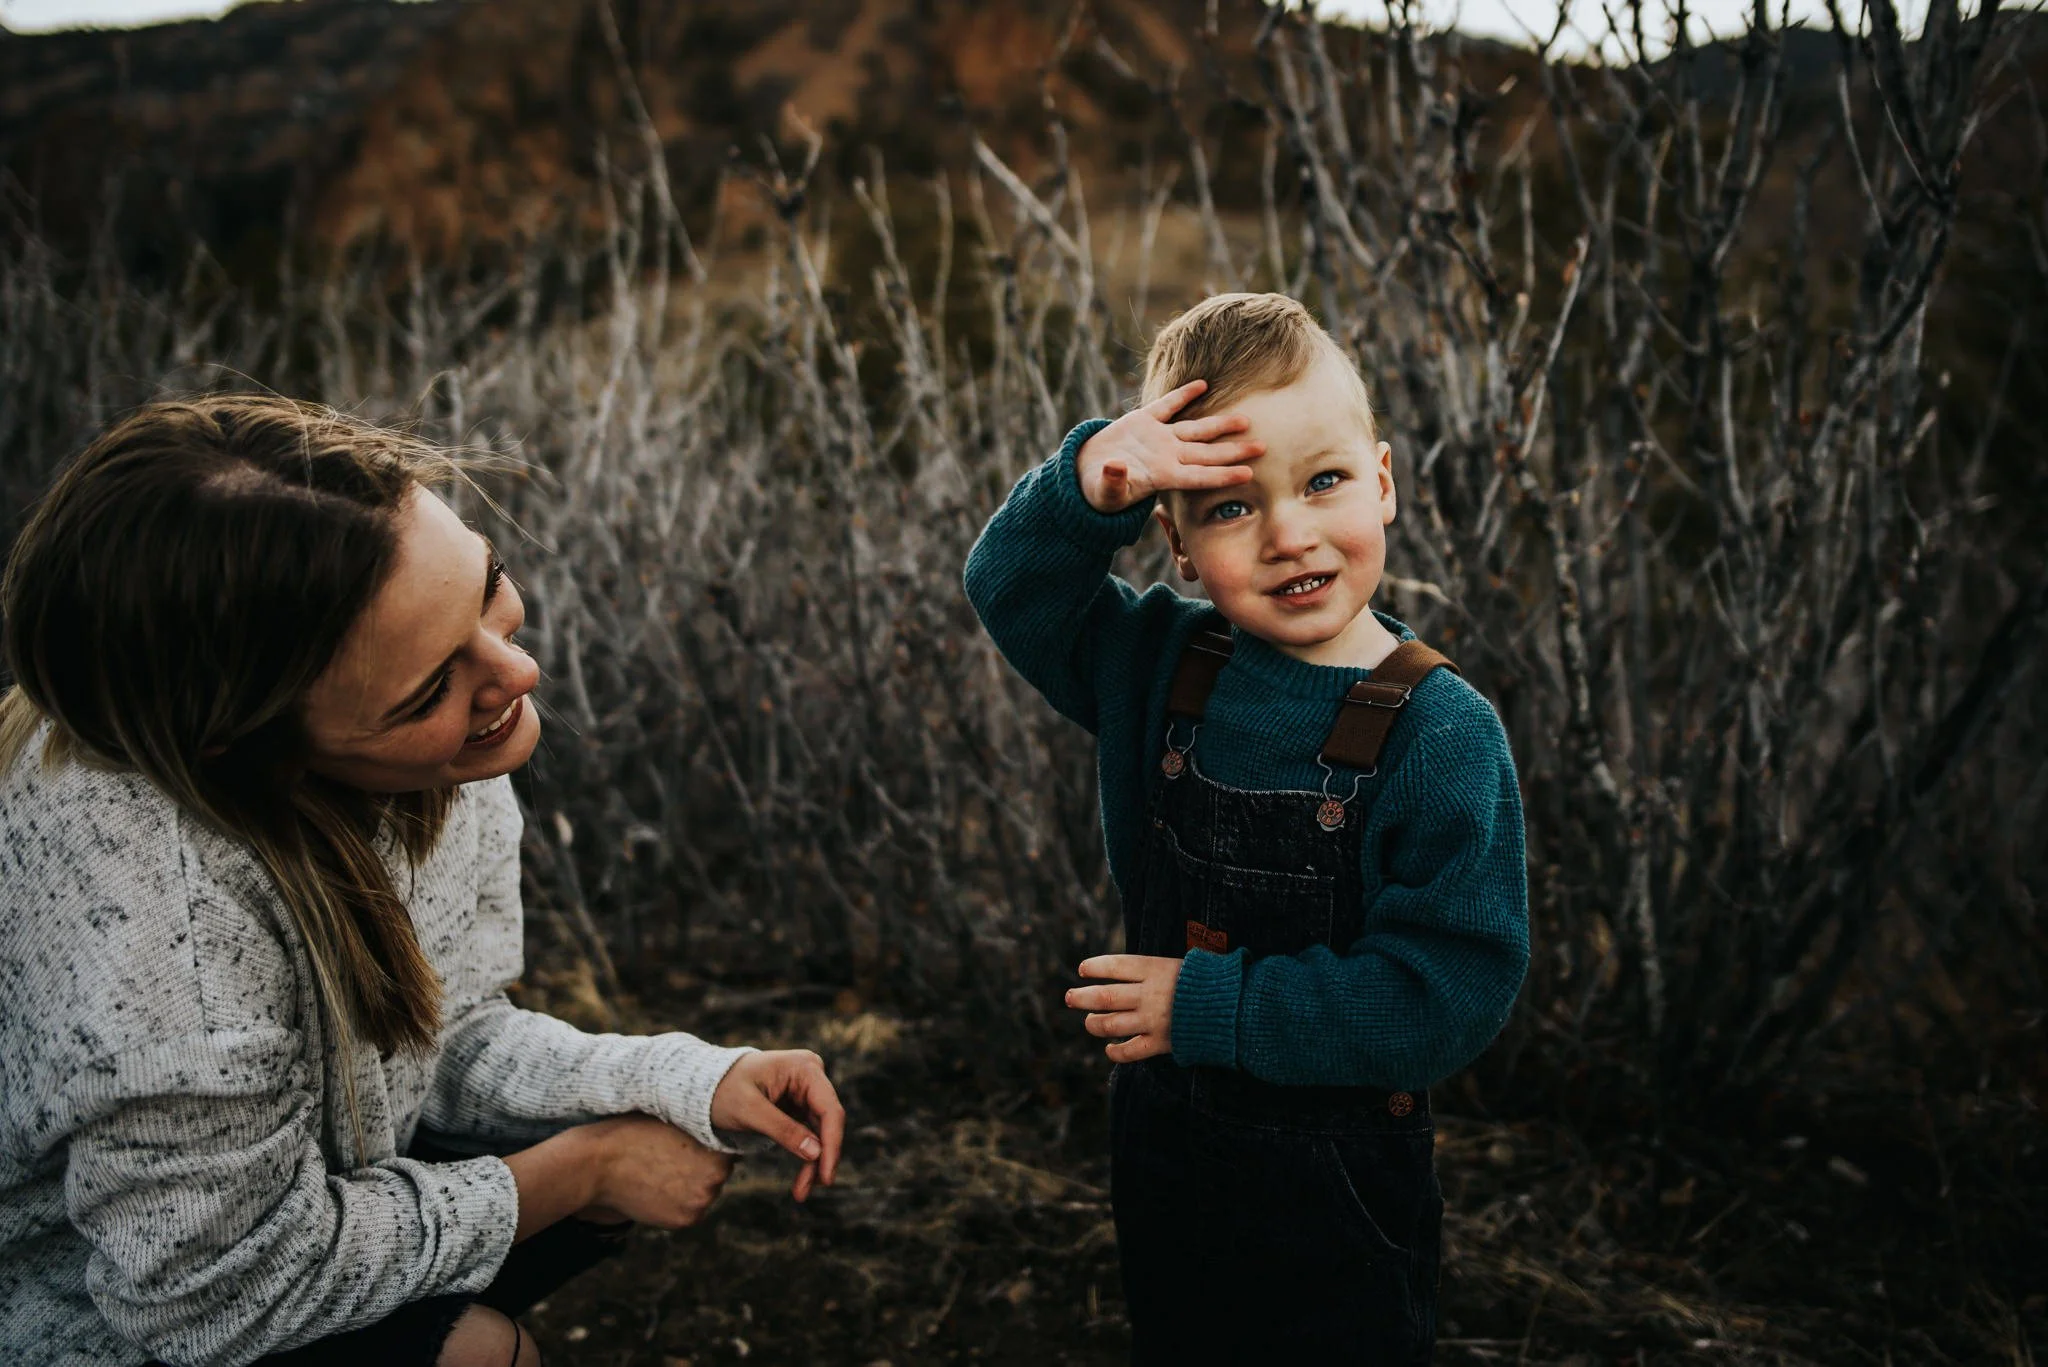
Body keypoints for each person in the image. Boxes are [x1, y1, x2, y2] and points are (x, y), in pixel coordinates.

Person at [0, 395, 845, 1367]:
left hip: (317, 1186)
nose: (515, 670)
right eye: (428, 688)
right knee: (486, 1356)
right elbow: (207, 1292)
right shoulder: (161, 930)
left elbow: (444, 1039)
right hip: (88, 1315)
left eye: (486, 586)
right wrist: (578, 1173)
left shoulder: (435, 747)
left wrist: (690, 1076)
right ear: (255, 747)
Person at [964, 292, 1529, 1363]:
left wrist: (1209, 1005)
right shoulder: (1157, 663)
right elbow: (1010, 585)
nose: (1287, 533)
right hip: (1165, 1157)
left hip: (1335, 1203)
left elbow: (1444, 997)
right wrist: (1088, 487)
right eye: (1227, 506)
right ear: (1170, 538)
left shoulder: (1439, 734)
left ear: (1382, 480)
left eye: (1321, 481)